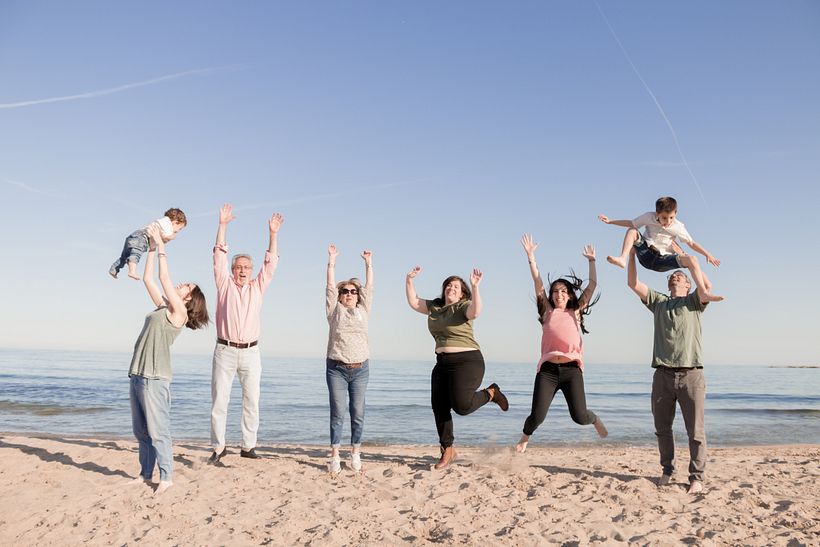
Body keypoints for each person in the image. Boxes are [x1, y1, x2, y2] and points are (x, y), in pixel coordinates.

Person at [627, 248, 717, 494]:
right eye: (672, 276)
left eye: (680, 275)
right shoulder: (659, 302)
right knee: (662, 429)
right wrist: (632, 256)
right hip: (663, 376)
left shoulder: (695, 302)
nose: (675, 276)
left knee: (695, 431)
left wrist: (686, 259)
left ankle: (696, 477)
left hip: (691, 376)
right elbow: (633, 283)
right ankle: (667, 469)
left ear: (689, 284)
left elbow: (707, 285)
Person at [128, 223, 209, 495]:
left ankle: (167, 477)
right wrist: (152, 247)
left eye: (187, 287)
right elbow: (149, 280)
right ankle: (145, 474)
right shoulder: (164, 307)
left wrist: (162, 245)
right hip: (138, 374)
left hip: (156, 378)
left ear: (189, 299)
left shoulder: (179, 315)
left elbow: (164, 278)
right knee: (141, 432)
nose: (181, 284)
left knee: (158, 431)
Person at [405, 265, 508, 469]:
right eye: (449, 285)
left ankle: (491, 393)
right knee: (439, 406)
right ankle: (448, 450)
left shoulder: (463, 306)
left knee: (462, 406)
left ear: (462, 293)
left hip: (468, 361)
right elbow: (414, 302)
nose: (451, 288)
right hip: (442, 362)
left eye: (456, 287)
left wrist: (475, 287)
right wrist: (409, 280)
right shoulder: (435, 307)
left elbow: (475, 312)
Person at [515, 234, 608, 453]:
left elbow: (593, 285)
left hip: (571, 371)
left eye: (563, 291)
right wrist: (531, 256)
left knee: (580, 416)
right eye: (555, 291)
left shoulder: (576, 312)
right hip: (547, 371)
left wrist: (592, 261)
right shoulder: (547, 311)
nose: (559, 294)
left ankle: (594, 419)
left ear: (569, 295)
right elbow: (537, 282)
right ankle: (525, 437)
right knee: (537, 416)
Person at [208, 203, 284, 464]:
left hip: (251, 352)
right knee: (220, 402)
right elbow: (219, 255)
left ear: (251, 271)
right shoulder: (224, 284)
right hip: (225, 350)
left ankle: (248, 446)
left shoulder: (257, 287)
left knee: (252, 401)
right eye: (238, 267)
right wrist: (223, 225)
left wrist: (273, 234)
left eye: (246, 268)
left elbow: (271, 264)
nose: (242, 271)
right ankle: (218, 448)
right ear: (233, 270)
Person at [599, 196, 723, 301]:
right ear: (657, 213)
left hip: (663, 260)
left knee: (692, 259)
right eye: (664, 218)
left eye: (671, 218)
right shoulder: (648, 217)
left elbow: (691, 243)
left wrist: (707, 254)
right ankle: (622, 258)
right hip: (646, 253)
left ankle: (703, 292)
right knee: (632, 230)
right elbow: (631, 223)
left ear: (675, 213)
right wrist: (610, 221)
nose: (668, 222)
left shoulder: (678, 227)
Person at [325, 245, 373, 474]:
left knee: (358, 413)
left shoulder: (364, 310)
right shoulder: (334, 311)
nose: (349, 294)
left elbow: (370, 287)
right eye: (345, 291)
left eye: (353, 291)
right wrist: (332, 261)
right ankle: (335, 455)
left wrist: (368, 264)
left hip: (361, 369)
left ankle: (355, 452)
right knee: (338, 412)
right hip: (337, 368)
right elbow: (329, 288)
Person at [110, 208, 187, 280]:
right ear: (176, 222)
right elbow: (165, 237)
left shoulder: (162, 222)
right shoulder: (168, 224)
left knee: (124, 256)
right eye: (179, 228)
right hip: (142, 237)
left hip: (133, 236)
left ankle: (114, 269)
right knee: (136, 253)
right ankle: (132, 271)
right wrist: (172, 236)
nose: (178, 231)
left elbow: (158, 239)